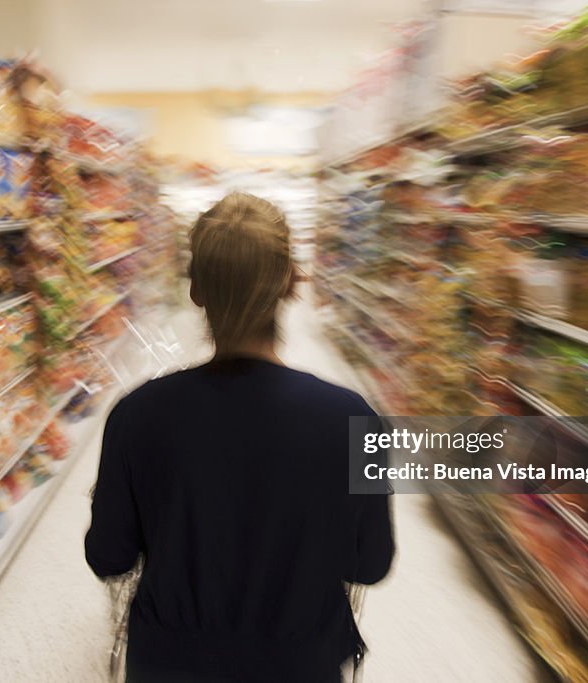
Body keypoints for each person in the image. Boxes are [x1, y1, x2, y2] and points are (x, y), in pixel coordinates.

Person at [85, 192, 395, 682]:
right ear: (292, 283)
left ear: (196, 291)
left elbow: (108, 556)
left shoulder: (136, 415)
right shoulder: (357, 421)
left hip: (169, 664)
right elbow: (371, 563)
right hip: (300, 665)